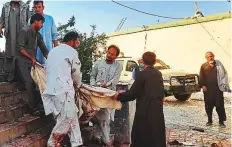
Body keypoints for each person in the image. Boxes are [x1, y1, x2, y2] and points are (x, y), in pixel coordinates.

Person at [114, 51, 166, 147]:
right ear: (154, 61)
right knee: (156, 134)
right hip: (157, 109)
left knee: (143, 136)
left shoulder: (142, 75)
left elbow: (132, 94)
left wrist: (120, 96)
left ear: (143, 61)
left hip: (145, 109)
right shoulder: (158, 73)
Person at [42, 31, 83, 147]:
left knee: (72, 116)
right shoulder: (71, 51)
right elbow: (76, 73)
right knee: (68, 116)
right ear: (72, 41)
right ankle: (52, 142)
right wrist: (78, 85)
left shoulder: (53, 51)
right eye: (77, 42)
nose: (77, 44)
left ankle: (77, 143)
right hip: (63, 90)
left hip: (51, 90)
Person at [90, 45, 123, 146]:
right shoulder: (98, 63)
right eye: (108, 52)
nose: (109, 55)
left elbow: (115, 80)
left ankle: (106, 140)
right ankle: (99, 139)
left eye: (112, 54)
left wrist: (106, 85)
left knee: (107, 118)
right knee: (95, 116)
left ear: (116, 56)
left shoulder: (118, 66)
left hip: (109, 95)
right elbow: (92, 76)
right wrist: (93, 87)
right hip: (97, 94)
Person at [17, 13, 48, 114]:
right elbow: (20, 48)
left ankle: (40, 105)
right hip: (22, 61)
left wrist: (53, 59)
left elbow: (44, 50)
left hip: (33, 62)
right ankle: (32, 108)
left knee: (40, 81)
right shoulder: (24, 30)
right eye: (41, 22)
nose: (42, 25)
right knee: (29, 83)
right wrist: (31, 57)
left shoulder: (38, 35)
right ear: (35, 21)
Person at [199, 51, 230, 127]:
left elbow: (225, 74)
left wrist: (223, 84)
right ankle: (209, 121)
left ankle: (221, 122)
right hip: (208, 90)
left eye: (211, 56)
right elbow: (201, 76)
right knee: (208, 106)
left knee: (219, 105)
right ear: (206, 58)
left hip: (218, 89)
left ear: (214, 56)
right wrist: (203, 85)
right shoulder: (203, 66)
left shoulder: (219, 64)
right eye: (208, 57)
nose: (210, 58)